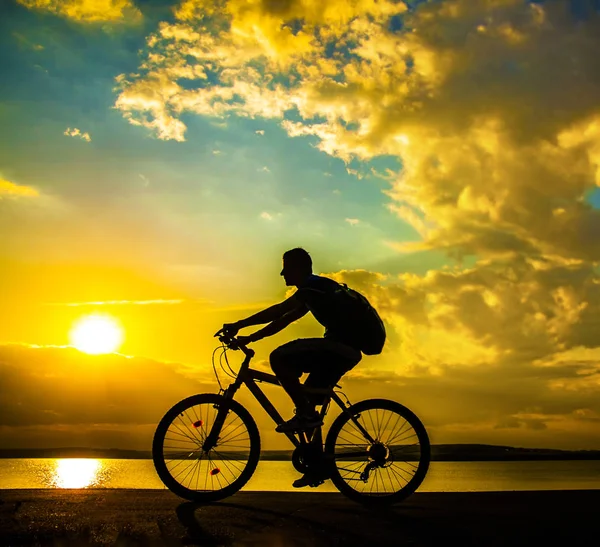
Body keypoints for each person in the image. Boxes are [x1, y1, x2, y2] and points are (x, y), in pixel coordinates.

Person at [221, 248, 363, 486]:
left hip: (339, 348)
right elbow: (282, 321)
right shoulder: (313, 293)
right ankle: (317, 466)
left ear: (297, 268)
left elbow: (278, 311)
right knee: (307, 401)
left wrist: (239, 325)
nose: (281, 273)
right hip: (342, 351)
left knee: (279, 358)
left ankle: (306, 416)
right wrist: (249, 337)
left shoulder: (311, 287)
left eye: (285, 268)